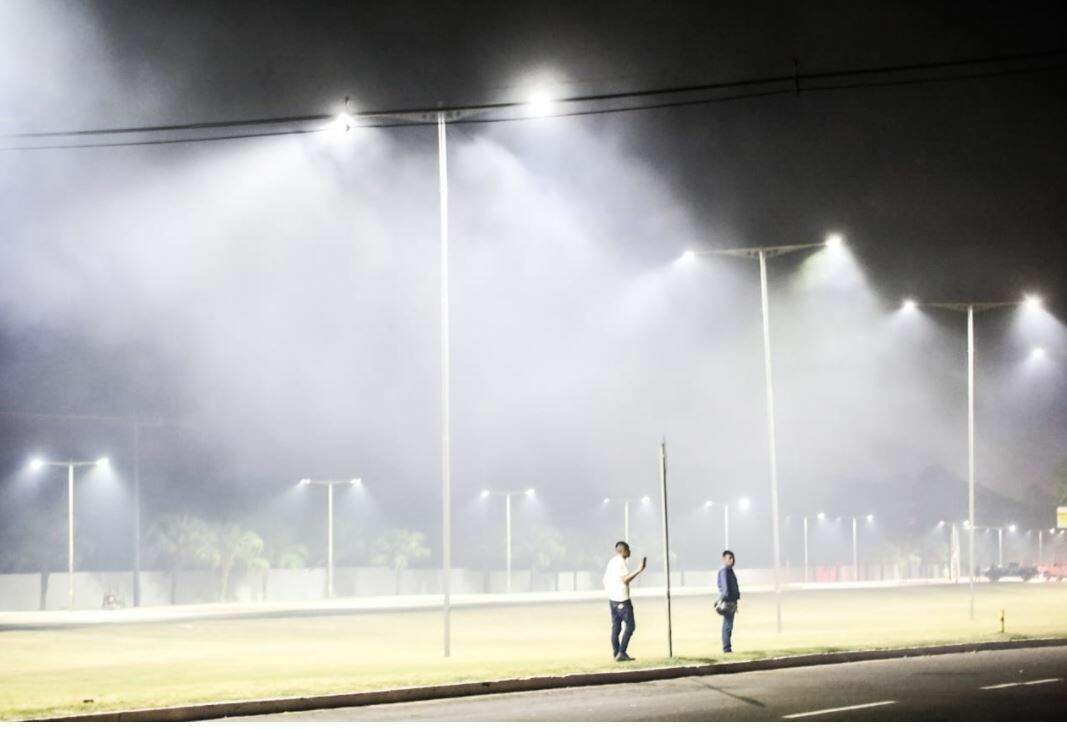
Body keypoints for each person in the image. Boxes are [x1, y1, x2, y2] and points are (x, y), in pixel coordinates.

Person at [603, 540, 646, 661]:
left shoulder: (611, 562)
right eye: (628, 549)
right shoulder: (620, 562)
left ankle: (616, 653)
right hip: (622, 599)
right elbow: (625, 580)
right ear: (622, 550)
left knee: (616, 627)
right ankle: (621, 652)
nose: (630, 551)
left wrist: (611, 593)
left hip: (613, 600)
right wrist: (639, 570)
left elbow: (605, 579)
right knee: (630, 626)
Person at [716, 550, 741, 653]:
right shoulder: (724, 571)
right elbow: (725, 588)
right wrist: (721, 600)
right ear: (724, 559)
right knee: (727, 625)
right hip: (728, 601)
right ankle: (727, 648)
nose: (731, 560)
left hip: (732, 601)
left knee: (729, 625)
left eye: (732, 558)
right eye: (729, 558)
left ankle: (727, 647)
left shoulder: (730, 570)